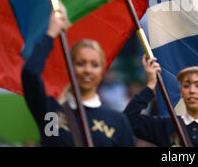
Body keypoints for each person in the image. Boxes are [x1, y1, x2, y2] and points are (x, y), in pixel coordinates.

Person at [21, 11, 135, 147]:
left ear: (102, 72)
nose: (87, 70)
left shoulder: (117, 121)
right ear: (69, 68)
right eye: (80, 63)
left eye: (95, 65)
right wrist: (51, 34)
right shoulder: (50, 111)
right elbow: (30, 72)